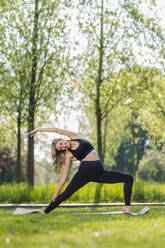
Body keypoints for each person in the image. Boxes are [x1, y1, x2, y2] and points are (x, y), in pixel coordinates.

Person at [27, 127, 134, 214]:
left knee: (129, 178)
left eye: (61, 144)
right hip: (84, 173)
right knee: (65, 194)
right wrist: (56, 193)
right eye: (61, 148)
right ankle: (45, 212)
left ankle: (127, 207)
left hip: (99, 172)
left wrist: (38, 130)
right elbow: (64, 175)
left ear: (62, 139)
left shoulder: (74, 136)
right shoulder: (68, 155)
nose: (63, 147)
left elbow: (56, 129)